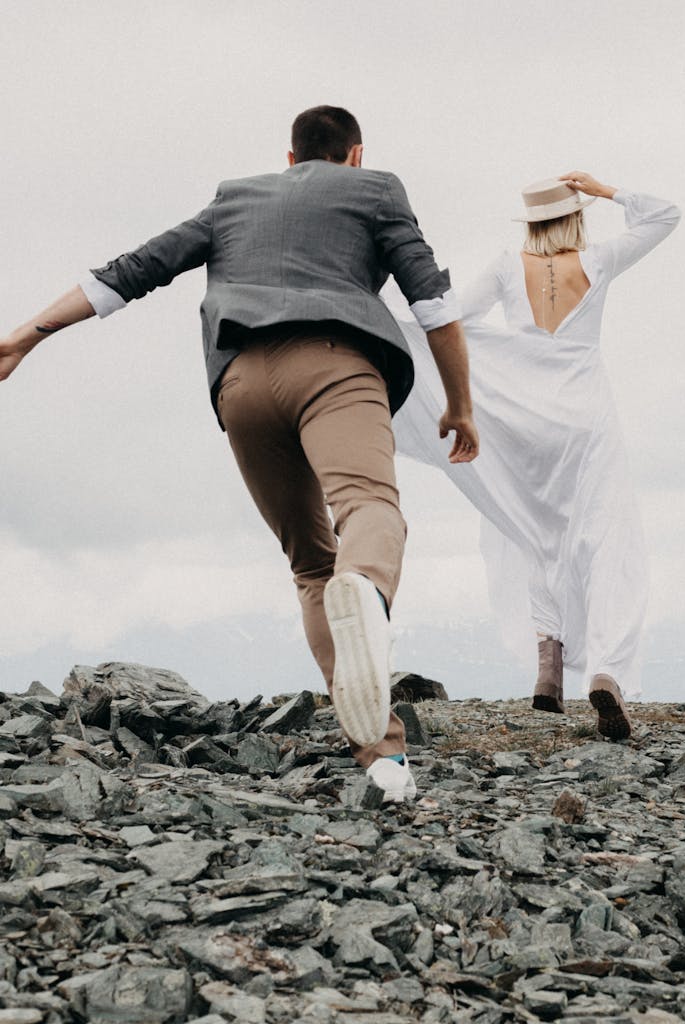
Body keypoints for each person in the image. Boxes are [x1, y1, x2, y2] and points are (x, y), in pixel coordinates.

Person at [0, 105, 479, 801]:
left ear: (288, 160)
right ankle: (370, 596)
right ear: (355, 155)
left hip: (241, 383)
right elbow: (432, 301)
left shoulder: (234, 198)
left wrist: (27, 335)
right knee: (368, 510)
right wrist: (460, 405)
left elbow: (134, 270)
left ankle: (383, 761)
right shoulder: (374, 189)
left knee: (311, 563)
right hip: (335, 362)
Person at [392, 172, 680, 740]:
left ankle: (549, 671)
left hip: (523, 416)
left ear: (530, 224)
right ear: (574, 219)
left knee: (531, 531)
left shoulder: (506, 266)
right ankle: (605, 669)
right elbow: (666, 215)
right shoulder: (596, 262)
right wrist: (607, 191)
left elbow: (447, 321)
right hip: (585, 419)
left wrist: (384, 323)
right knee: (605, 536)